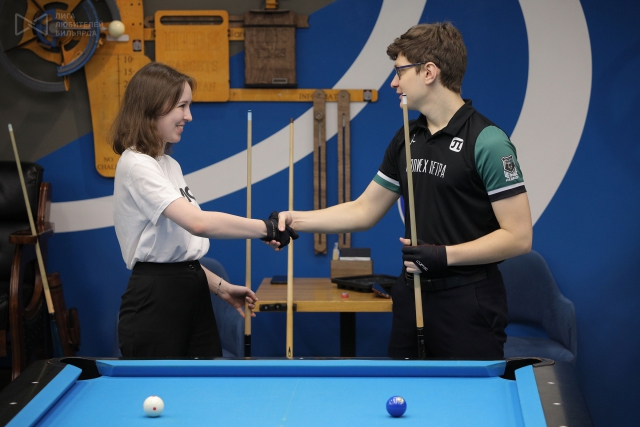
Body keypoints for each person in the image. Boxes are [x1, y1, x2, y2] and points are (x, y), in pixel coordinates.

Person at [271, 22, 532, 359]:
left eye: (400, 71)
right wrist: (294, 220)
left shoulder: (488, 141)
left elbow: (519, 237)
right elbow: (364, 210)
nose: (393, 82)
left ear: (429, 72)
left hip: (468, 302)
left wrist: (443, 255)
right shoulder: (407, 138)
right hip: (412, 297)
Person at [110, 62, 297, 358]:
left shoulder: (169, 164)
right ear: (153, 106)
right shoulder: (136, 164)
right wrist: (267, 228)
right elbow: (197, 223)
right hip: (155, 301)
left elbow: (177, 255)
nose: (189, 116)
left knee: (203, 381)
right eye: (181, 106)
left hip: (193, 293)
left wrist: (222, 288)